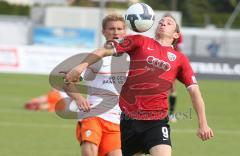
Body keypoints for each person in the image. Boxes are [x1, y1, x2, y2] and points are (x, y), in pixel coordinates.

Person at [64, 14, 214, 156]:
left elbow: (194, 92)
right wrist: (80, 66)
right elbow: (104, 50)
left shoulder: (180, 60)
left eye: (169, 23)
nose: (163, 23)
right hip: (128, 121)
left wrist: (203, 124)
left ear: (176, 35)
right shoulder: (139, 41)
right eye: (161, 21)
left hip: (156, 120)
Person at [64, 14, 127, 156]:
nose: (115, 32)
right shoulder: (94, 58)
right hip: (92, 114)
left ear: (125, 32)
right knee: (90, 151)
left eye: (119, 28)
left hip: (116, 120)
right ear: (104, 32)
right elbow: (68, 81)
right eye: (111, 29)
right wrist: (79, 98)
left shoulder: (131, 59)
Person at [168, 33, 183, 122]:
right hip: (160, 61)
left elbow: (179, 47)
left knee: (172, 89)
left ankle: (171, 113)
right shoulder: (160, 33)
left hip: (172, 62)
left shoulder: (178, 35)